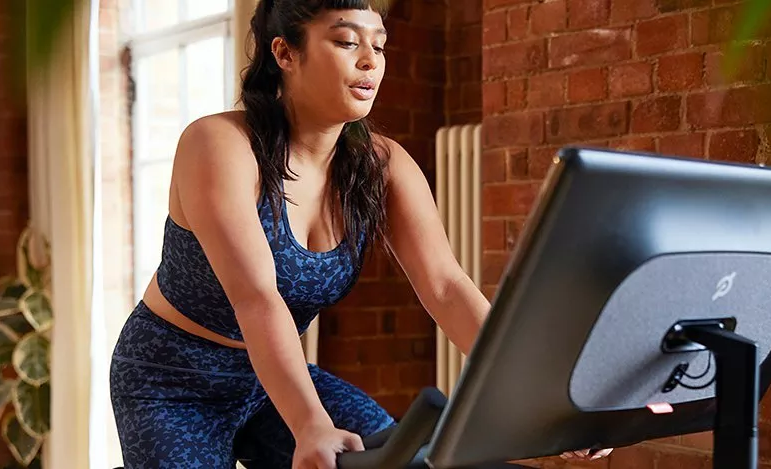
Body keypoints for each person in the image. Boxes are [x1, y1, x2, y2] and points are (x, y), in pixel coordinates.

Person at [109, 0, 612, 467]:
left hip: (271, 381)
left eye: (380, 44)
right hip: (171, 382)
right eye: (348, 42)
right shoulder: (219, 143)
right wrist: (310, 424)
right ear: (284, 52)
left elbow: (446, 287)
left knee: (403, 461)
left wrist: (549, 394)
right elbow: (256, 297)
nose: (371, 60)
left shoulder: (383, 164)